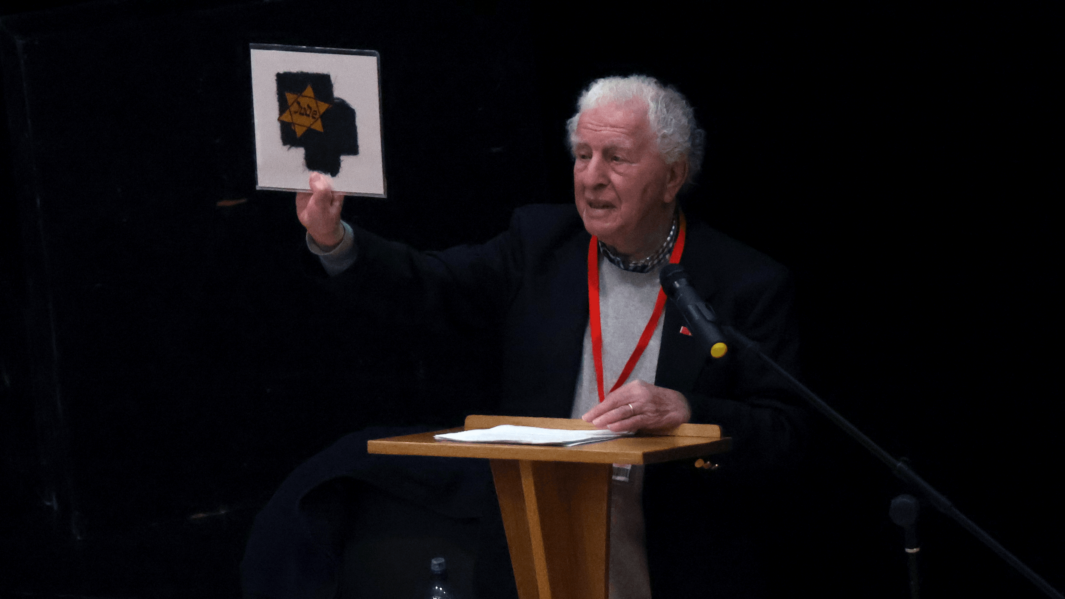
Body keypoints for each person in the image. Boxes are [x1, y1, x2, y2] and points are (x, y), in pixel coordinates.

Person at [244, 75, 808, 599]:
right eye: (583, 155)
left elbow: (785, 431)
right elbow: (430, 285)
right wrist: (335, 240)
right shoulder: (541, 244)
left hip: (675, 556)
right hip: (536, 550)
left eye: (616, 158)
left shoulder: (742, 282)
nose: (592, 176)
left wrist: (688, 409)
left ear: (673, 176)